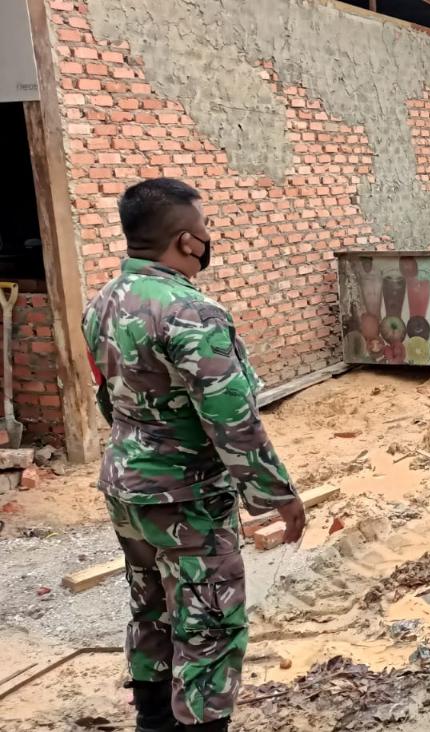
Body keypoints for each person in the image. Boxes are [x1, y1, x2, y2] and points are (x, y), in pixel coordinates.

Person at [82, 178, 306, 732]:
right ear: (186, 241)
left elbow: (108, 400)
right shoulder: (191, 312)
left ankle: (152, 723)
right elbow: (231, 418)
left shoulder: (102, 303)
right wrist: (275, 495)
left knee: (152, 612)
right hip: (188, 502)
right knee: (209, 630)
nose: (208, 242)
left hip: (127, 490)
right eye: (204, 232)